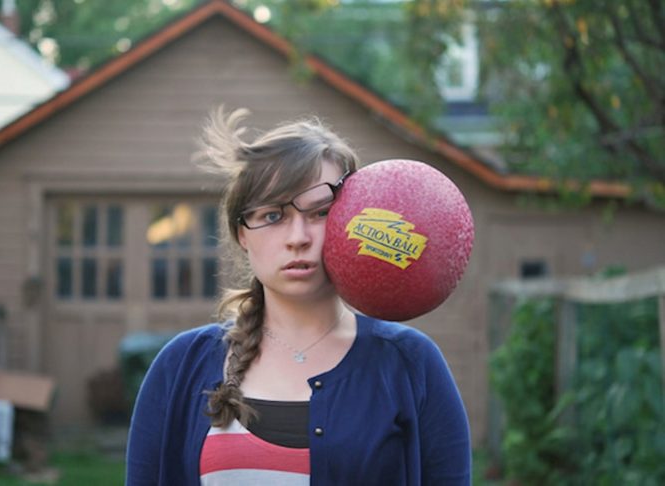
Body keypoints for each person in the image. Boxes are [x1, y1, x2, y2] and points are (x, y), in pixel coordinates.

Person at [126, 107, 471, 485]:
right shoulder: (180, 366)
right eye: (273, 216)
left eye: (320, 213)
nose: (298, 237)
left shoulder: (410, 365)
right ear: (242, 234)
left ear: (355, 219)